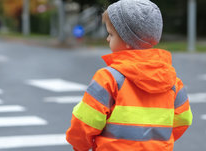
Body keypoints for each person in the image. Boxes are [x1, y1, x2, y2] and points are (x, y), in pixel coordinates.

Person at [65, 0, 193, 150]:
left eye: (111, 34)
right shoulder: (173, 82)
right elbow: (183, 120)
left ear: (127, 40)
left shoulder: (108, 78)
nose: (107, 39)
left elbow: (85, 122)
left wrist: (80, 145)